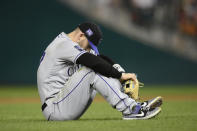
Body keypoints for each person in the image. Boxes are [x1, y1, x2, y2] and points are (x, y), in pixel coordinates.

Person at [37, 22, 162, 121]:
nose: (89, 49)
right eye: (89, 45)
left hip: (65, 102)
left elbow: (100, 59)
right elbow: (94, 62)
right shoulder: (63, 44)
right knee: (92, 70)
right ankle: (132, 109)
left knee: (104, 68)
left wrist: (121, 72)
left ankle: (134, 105)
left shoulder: (74, 44)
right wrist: (120, 75)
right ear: (81, 36)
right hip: (55, 108)